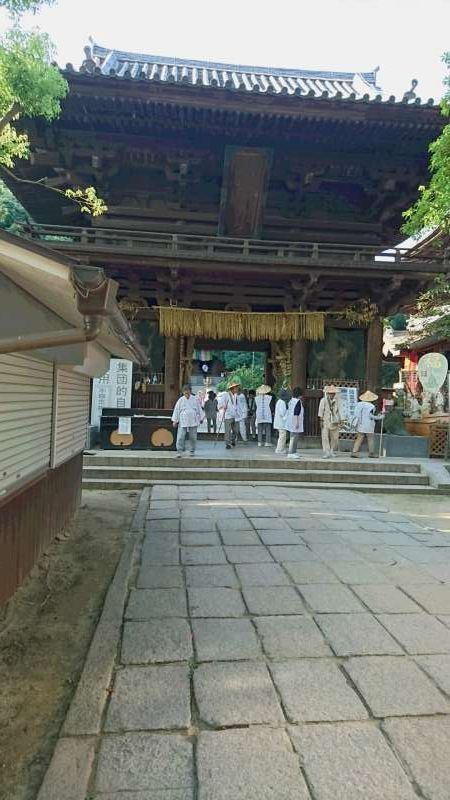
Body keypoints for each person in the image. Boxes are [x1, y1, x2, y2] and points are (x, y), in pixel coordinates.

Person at [171, 384, 203, 457]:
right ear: (183, 392)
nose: (186, 394)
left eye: (188, 393)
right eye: (185, 393)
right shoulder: (181, 400)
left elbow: (199, 409)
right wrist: (175, 420)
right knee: (181, 436)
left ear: (190, 391)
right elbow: (177, 410)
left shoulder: (195, 399)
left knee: (193, 437)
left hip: (193, 420)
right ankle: (179, 451)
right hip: (183, 419)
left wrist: (201, 418)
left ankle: (192, 450)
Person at [351, 390, 383, 458]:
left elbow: (356, 414)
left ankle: (354, 452)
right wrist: (380, 417)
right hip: (368, 424)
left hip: (360, 423)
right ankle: (371, 453)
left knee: (359, 438)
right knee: (370, 438)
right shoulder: (371, 406)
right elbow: (371, 416)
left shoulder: (359, 404)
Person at [318, 384, 345, 459]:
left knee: (335, 437)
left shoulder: (338, 400)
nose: (332, 394)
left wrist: (342, 419)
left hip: (335, 420)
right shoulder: (323, 400)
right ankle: (326, 451)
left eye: (333, 393)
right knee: (325, 436)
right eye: (330, 393)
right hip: (325, 420)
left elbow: (341, 410)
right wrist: (321, 420)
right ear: (327, 393)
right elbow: (321, 410)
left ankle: (332, 450)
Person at [217, 380, 240, 450]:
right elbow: (220, 404)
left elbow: (236, 405)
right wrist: (223, 406)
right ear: (232, 388)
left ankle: (233, 440)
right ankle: (227, 443)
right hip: (228, 415)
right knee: (228, 431)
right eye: (236, 388)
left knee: (236, 430)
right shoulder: (225, 394)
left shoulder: (236, 395)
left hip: (235, 415)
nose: (237, 389)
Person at [286, 387, 304, 459]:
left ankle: (294, 452)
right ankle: (291, 452)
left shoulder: (291, 400)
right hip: (295, 421)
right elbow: (296, 412)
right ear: (299, 394)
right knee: (294, 437)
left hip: (290, 420)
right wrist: (297, 423)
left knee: (293, 437)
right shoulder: (297, 401)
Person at [274, 388, 290, 454]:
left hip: (279, 422)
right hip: (281, 422)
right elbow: (282, 413)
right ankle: (279, 449)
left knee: (282, 436)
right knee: (282, 436)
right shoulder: (282, 402)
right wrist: (288, 412)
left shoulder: (279, 401)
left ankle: (281, 449)